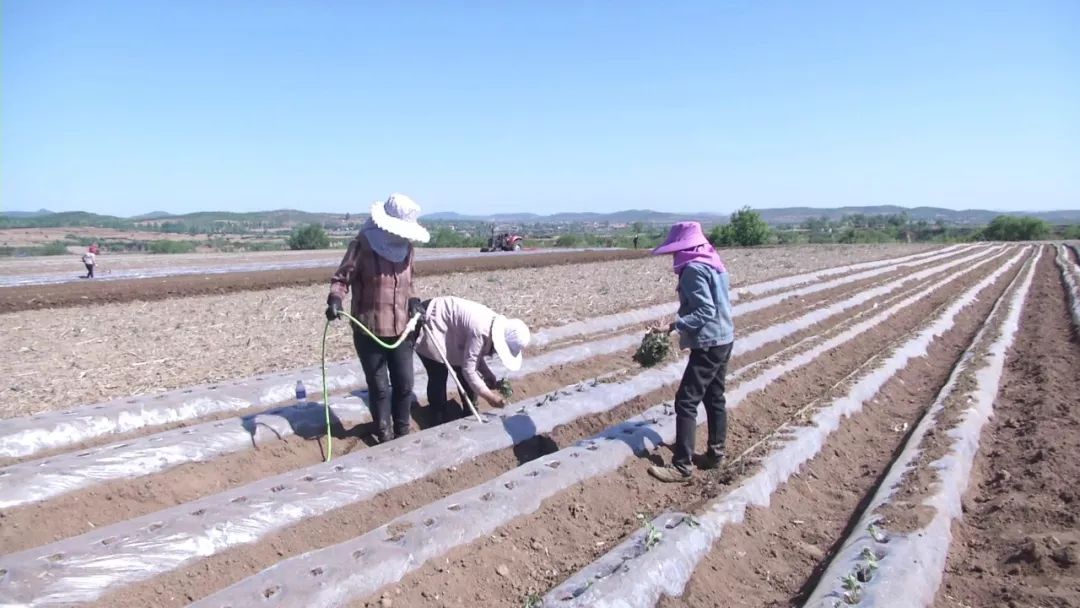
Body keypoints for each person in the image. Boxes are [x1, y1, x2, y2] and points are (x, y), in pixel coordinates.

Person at [326, 194, 430, 443]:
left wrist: (415, 302)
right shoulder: (363, 244)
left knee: (405, 385)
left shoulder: (407, 248)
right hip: (370, 329)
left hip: (402, 329)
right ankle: (384, 436)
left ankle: (403, 434)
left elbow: (410, 283)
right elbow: (342, 279)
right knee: (380, 388)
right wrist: (335, 299)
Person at [646, 221, 735, 483]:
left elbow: (705, 310)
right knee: (714, 396)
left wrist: (674, 326)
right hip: (724, 338)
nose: (674, 256)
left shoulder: (693, 270)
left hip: (708, 342)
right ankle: (715, 454)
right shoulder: (713, 262)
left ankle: (682, 466)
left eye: (675, 250)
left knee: (686, 401)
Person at [414, 296, 531, 424]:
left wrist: (488, 374)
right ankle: (438, 416)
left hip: (452, 329)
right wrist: (489, 397)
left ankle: (469, 411)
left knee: (463, 371)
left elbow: (474, 355)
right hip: (431, 320)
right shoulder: (481, 330)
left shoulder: (490, 328)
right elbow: (469, 369)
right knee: (438, 373)